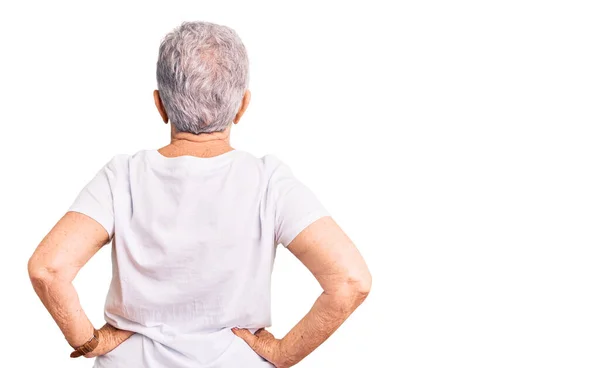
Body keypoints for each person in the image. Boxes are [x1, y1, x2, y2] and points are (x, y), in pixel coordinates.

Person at [27, 21, 371, 368]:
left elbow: (48, 269)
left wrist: (90, 341)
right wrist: (284, 354)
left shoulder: (122, 177)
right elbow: (350, 279)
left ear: (160, 105)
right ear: (242, 105)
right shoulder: (269, 182)